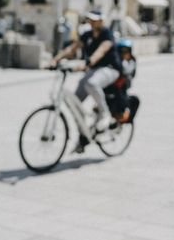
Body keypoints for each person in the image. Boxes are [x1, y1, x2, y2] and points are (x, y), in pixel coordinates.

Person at [50, 11, 122, 150]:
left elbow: (101, 51)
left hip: (110, 69)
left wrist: (87, 63)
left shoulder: (107, 33)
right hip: (93, 70)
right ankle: (84, 136)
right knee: (75, 103)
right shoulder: (87, 35)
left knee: (91, 83)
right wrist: (55, 59)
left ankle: (104, 114)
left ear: (101, 21)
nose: (92, 22)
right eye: (90, 20)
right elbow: (72, 48)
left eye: (95, 20)